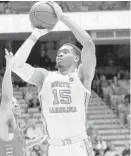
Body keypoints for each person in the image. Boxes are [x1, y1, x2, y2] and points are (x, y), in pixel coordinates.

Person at [11, 1, 96, 156]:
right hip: (55, 147)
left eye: (65, 52)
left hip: (78, 145)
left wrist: (62, 17)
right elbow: (15, 66)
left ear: (77, 59)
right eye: (58, 53)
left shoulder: (82, 76)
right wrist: (35, 34)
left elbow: (88, 44)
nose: (60, 54)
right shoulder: (44, 77)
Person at [0, 49, 46, 156]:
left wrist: (37, 141)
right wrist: (8, 70)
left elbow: (21, 147)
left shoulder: (15, 128)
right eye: (12, 103)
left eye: (16, 102)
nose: (16, 104)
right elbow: (7, 94)